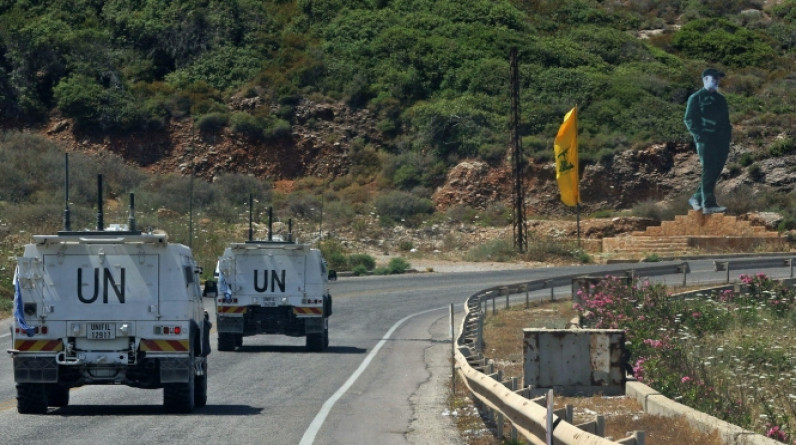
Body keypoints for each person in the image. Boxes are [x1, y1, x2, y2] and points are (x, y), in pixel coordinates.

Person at [683, 68, 732, 214]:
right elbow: (689, 119)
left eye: (719, 78)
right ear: (705, 79)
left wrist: (728, 135)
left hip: (721, 141)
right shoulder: (696, 97)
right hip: (706, 140)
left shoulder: (721, 99)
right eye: (714, 78)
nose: (717, 80)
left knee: (715, 171)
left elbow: (725, 120)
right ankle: (708, 204)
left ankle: (696, 198)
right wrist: (699, 135)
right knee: (709, 169)